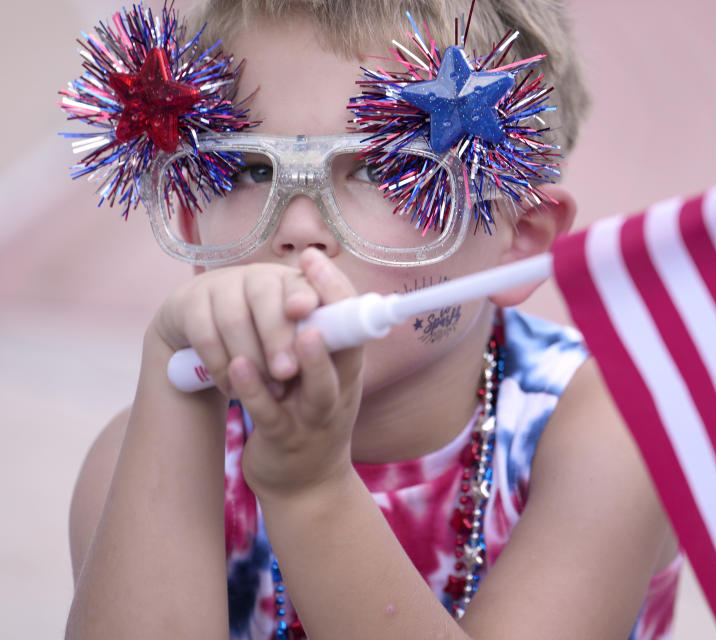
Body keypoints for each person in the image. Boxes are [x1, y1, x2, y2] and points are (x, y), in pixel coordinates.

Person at [65, 1, 680, 638]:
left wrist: (310, 490)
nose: (298, 226)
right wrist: (171, 384)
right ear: (193, 219)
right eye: (250, 167)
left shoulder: (605, 432)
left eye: (378, 166)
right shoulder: (143, 457)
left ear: (520, 238)